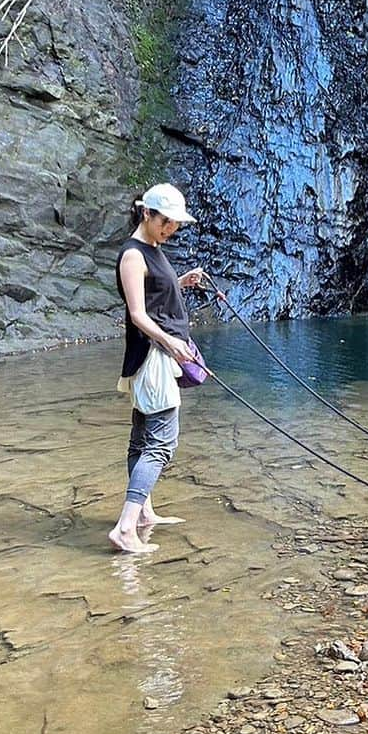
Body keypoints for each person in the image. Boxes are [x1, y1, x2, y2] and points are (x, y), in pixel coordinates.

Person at [110, 182, 210, 555]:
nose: (171, 229)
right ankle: (124, 527)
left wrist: (180, 283)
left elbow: (155, 299)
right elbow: (138, 315)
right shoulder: (133, 255)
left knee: (141, 438)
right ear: (147, 214)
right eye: (165, 222)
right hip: (152, 356)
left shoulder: (153, 249)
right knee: (162, 442)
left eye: (175, 225)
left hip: (156, 355)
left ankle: (143, 515)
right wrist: (172, 344)